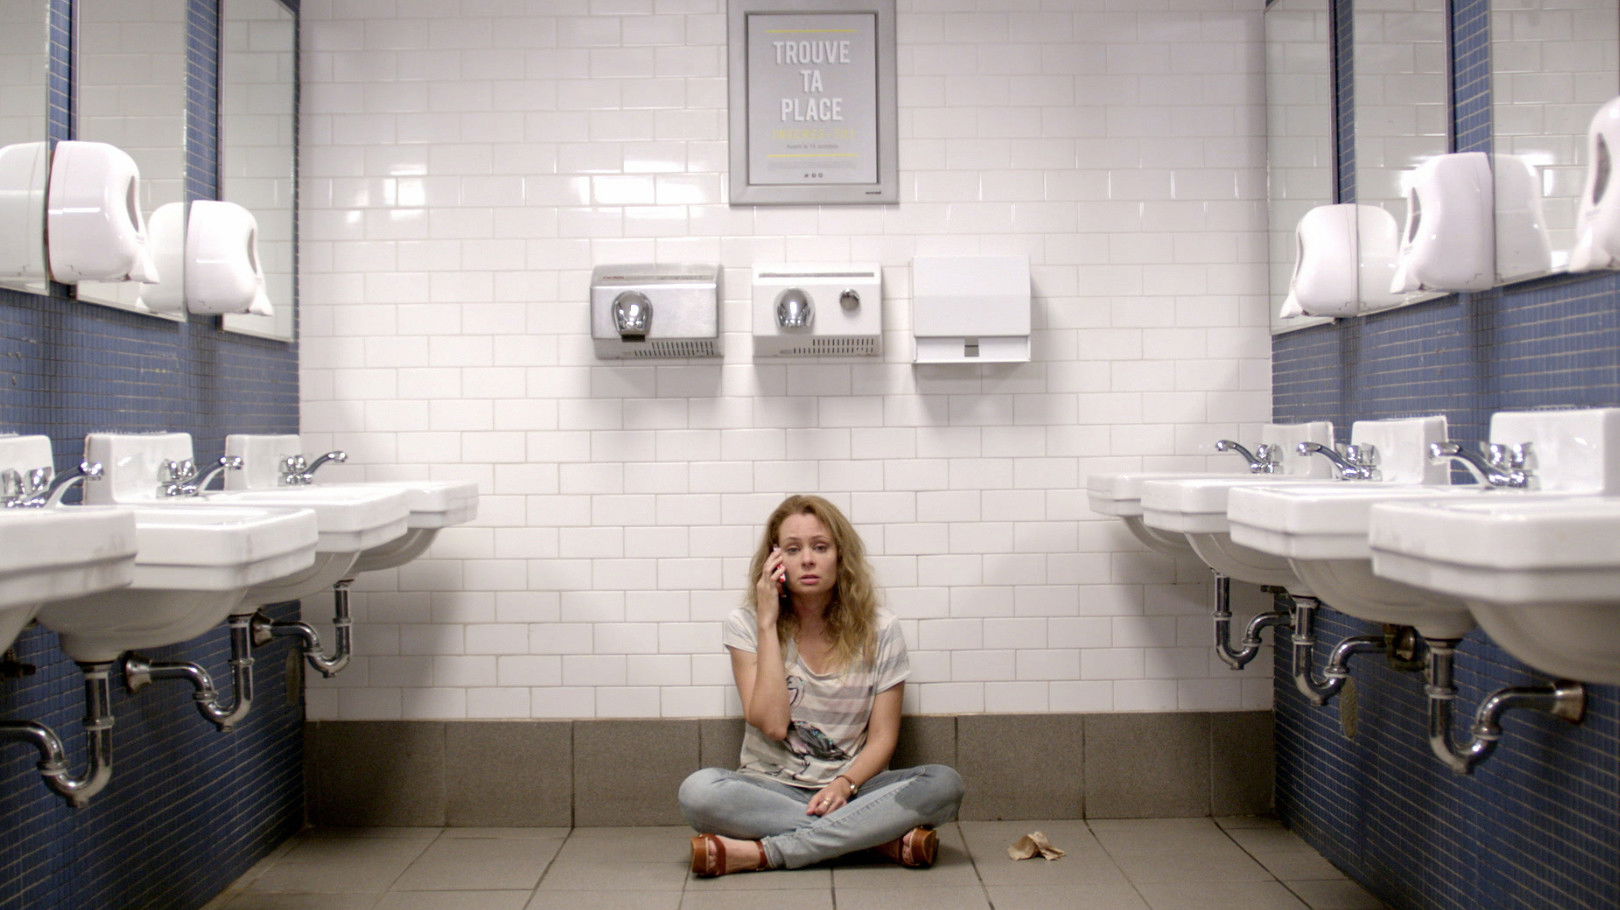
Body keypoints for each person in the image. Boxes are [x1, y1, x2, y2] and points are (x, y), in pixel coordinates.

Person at [678, 494, 964, 876]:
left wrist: (844, 785)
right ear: (774, 561)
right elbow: (774, 725)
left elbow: (883, 739)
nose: (808, 559)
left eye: (820, 547)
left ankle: (766, 852)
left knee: (944, 784)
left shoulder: (881, 629)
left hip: (856, 790)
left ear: (840, 556)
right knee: (698, 792)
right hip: (770, 790)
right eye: (793, 549)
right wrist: (767, 622)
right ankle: (875, 840)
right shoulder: (745, 625)